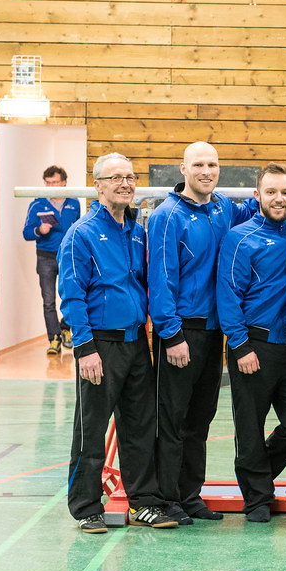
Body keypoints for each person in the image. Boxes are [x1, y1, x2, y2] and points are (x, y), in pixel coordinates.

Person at [58, 153, 175, 533]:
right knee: (91, 428)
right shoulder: (81, 233)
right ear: (98, 186)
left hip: (136, 343)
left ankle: (145, 502)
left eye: (130, 177)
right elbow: (72, 295)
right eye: (115, 178)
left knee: (140, 427)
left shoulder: (136, 231)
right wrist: (84, 349)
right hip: (100, 345)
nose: (125, 183)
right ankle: (86, 506)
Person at [147, 141, 256, 525]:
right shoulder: (166, 216)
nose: (206, 171)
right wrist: (171, 335)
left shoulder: (223, 208)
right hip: (181, 331)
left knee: (200, 419)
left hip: (213, 331)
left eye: (212, 164)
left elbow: (258, 207)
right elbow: (161, 280)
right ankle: (167, 498)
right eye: (198, 165)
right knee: (172, 421)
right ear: (183, 169)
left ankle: (190, 495)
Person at [217, 163, 286, 524]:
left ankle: (259, 474)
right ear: (257, 196)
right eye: (271, 192)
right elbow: (228, 295)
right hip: (253, 343)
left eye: (285, 192)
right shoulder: (240, 238)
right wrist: (240, 346)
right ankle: (257, 498)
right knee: (250, 426)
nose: (278, 199)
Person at [22, 166, 81, 354]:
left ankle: (65, 328)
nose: (51, 186)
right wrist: (39, 230)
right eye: (47, 183)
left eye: (54, 182)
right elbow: (26, 233)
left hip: (67, 258)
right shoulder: (37, 204)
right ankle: (54, 338)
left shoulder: (74, 202)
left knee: (72, 295)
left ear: (64, 182)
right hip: (45, 258)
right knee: (48, 301)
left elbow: (78, 229)